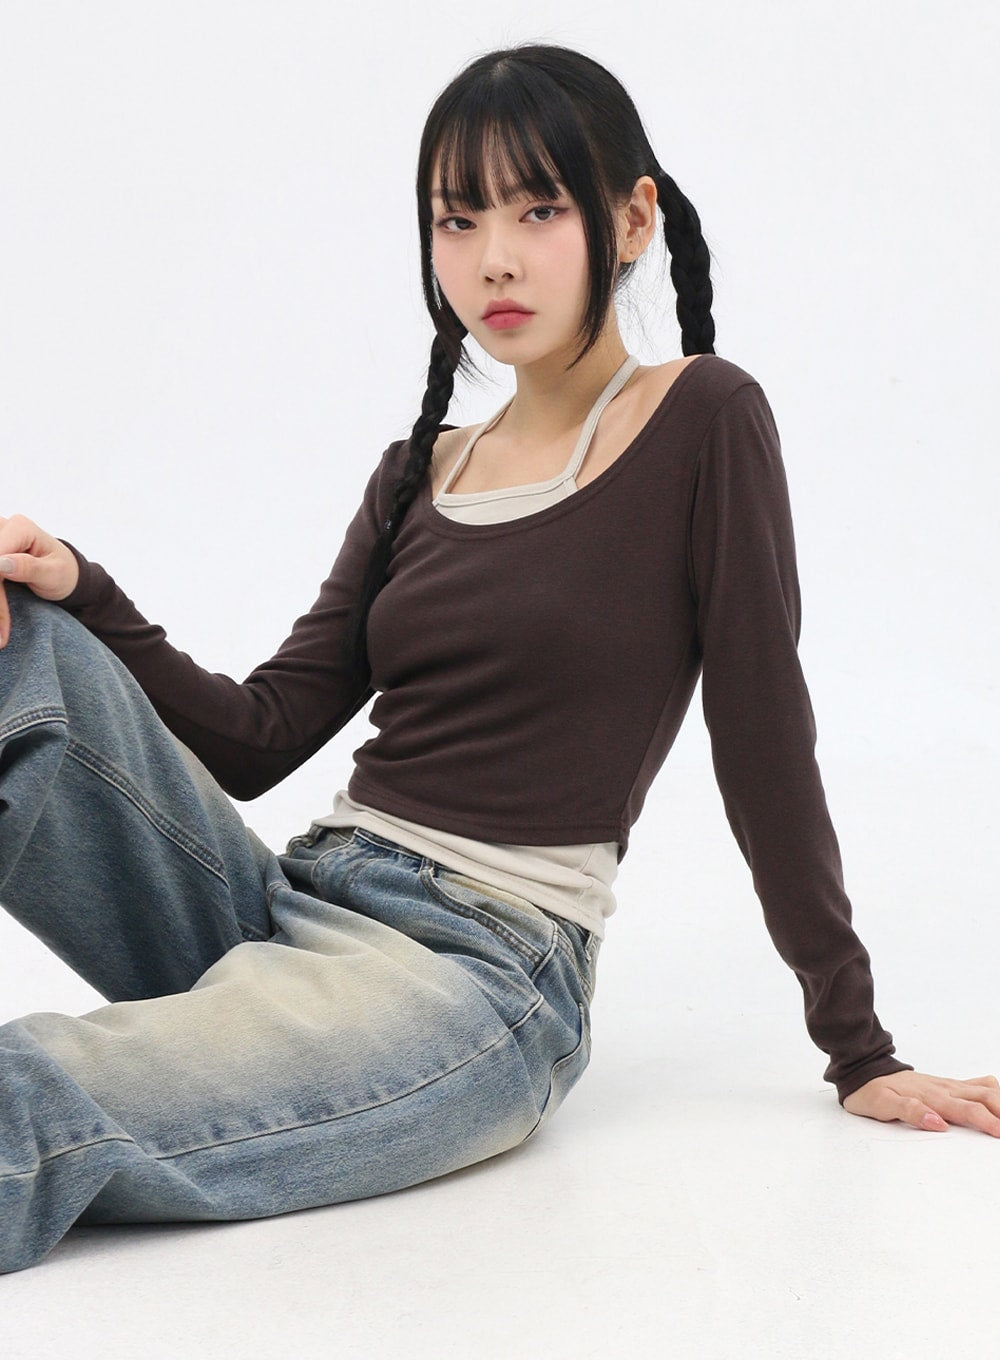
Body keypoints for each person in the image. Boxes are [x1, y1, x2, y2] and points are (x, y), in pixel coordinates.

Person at [0, 43, 996, 1275]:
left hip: (469, 975)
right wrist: (81, 587)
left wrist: (859, 1050)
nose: (495, 260)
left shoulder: (702, 420)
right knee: (23, 643)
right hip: (289, 906)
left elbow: (763, 739)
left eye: (538, 210)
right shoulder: (418, 470)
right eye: (457, 220)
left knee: (28, 1087)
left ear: (630, 220)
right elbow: (258, 737)